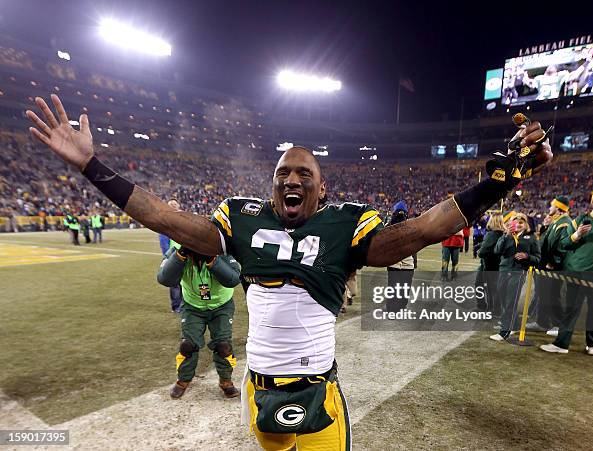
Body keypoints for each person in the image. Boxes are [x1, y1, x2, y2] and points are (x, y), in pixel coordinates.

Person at [26, 94, 552, 451]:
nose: (292, 178)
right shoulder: (241, 217)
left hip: (316, 388)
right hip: (261, 387)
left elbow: (419, 232)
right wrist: (92, 166)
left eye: (305, 173)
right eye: (283, 173)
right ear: (272, 185)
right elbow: (166, 217)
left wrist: (495, 184)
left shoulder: (345, 224)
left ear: (322, 189)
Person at [157, 245, 242, 398]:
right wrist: (181, 254)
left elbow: (233, 279)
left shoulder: (222, 248)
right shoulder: (177, 248)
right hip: (192, 305)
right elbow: (164, 278)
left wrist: (212, 259)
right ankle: (183, 380)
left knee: (223, 345)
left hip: (221, 305)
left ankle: (225, 380)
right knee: (188, 345)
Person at [540, 188, 593, 356]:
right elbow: (564, 243)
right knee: (571, 309)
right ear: (592, 201)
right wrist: (577, 235)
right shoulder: (581, 219)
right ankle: (562, 344)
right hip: (576, 271)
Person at [489, 212, 541, 341]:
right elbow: (497, 251)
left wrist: (527, 257)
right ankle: (513, 324)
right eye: (515, 221)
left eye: (521, 222)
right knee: (502, 299)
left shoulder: (531, 238)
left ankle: (505, 332)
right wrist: (506, 235)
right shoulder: (506, 235)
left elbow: (538, 258)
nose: (518, 224)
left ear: (525, 225)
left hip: (518, 273)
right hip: (504, 271)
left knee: (510, 302)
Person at [527, 196, 572, 333]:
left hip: (552, 267)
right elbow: (547, 242)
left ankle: (559, 325)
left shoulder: (564, 223)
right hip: (545, 265)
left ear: (558, 208)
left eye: (552, 206)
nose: (549, 208)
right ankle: (542, 322)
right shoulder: (557, 221)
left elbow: (562, 246)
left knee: (553, 295)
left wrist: (553, 262)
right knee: (543, 294)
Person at [385, 201, 417, 312]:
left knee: (393, 286)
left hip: (394, 262)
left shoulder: (389, 226)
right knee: (405, 287)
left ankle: (392, 309)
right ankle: (401, 308)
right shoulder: (411, 226)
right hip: (408, 263)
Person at [477, 212, 505, 316]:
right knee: (495, 288)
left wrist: (479, 251)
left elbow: (484, 251)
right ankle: (495, 309)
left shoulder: (492, 234)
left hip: (488, 265)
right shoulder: (504, 233)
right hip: (499, 265)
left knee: (486, 287)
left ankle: (488, 308)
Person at [159, 199, 184, 313]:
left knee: (186, 281)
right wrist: (167, 256)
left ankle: (185, 304)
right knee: (174, 282)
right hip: (173, 256)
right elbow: (163, 242)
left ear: (179, 205)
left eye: (175, 203)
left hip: (186, 254)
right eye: (170, 204)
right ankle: (176, 306)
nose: (173, 205)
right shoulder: (165, 222)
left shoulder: (184, 218)